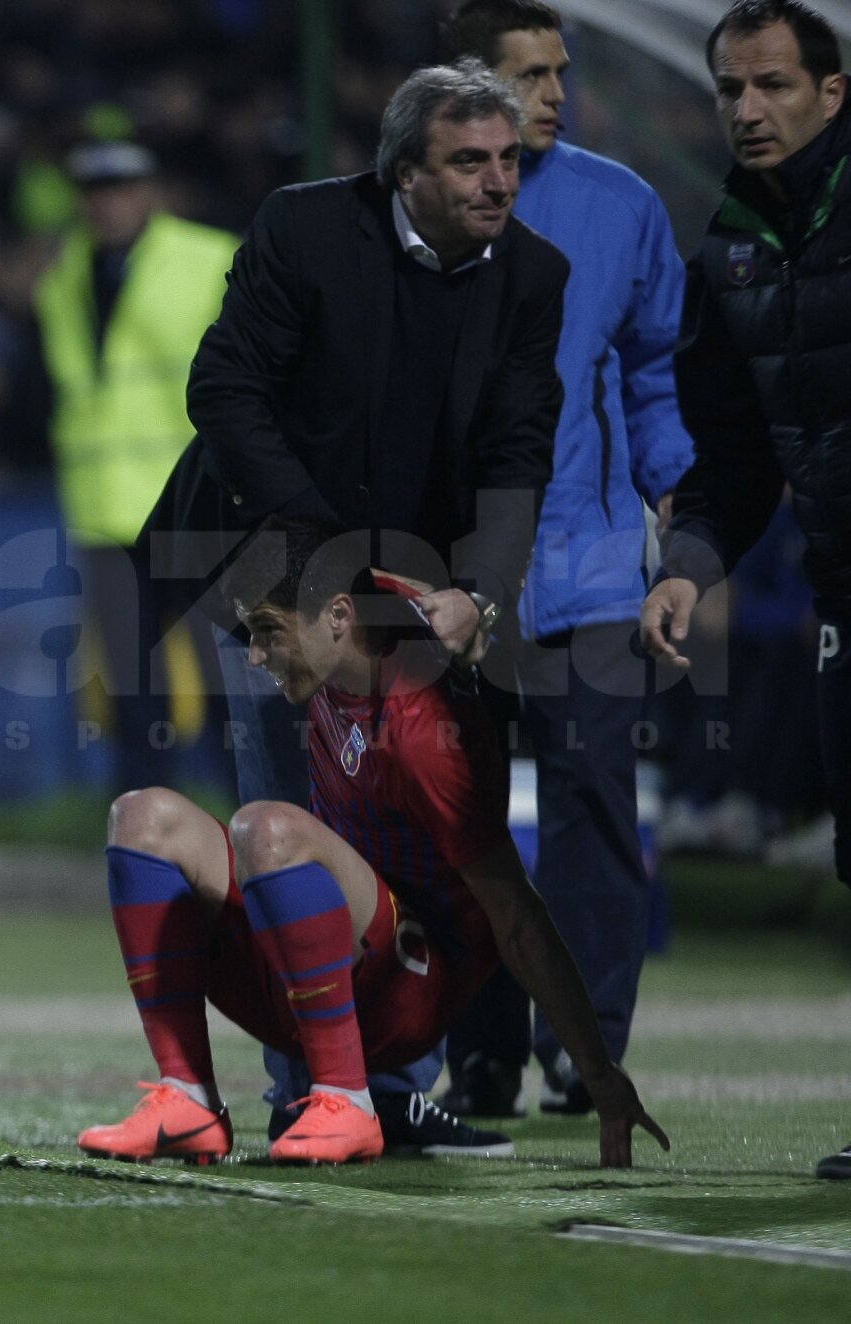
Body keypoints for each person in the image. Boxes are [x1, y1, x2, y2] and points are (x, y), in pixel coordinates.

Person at [141, 59, 569, 1152]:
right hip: (283, 578)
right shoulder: (305, 229)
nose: (498, 183)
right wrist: (326, 560)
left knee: (409, 842)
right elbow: (224, 390)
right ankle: (305, 1085)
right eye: (468, 161)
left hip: (412, 596)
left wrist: (480, 591)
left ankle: (382, 1083)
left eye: (508, 160)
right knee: (289, 820)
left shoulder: (532, 274)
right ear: (404, 172)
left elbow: (521, 445)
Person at [80, 519, 669, 1167]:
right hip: (329, 966)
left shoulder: (421, 732)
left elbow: (517, 919)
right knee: (140, 819)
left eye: (268, 632)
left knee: (266, 830)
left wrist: (601, 1076)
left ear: (337, 617)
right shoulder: (359, 611)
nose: (256, 655)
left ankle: (348, 1100)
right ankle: (188, 1098)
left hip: (408, 994)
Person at [404, 0, 697, 1122]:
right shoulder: (414, 204)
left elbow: (658, 365)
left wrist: (675, 486)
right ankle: (480, 1050)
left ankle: (586, 1044)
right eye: (528, 72)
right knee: (462, 819)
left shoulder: (620, 205)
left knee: (595, 811)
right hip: (457, 571)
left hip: (587, 562)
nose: (554, 93)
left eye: (558, 71)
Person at [639, 0, 850, 1181]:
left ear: (835, 91)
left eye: (772, 84)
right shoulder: (726, 242)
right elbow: (729, 452)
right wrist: (689, 568)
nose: (746, 109)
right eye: (730, 87)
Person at [32, 141, 240, 790]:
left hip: (193, 507)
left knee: (226, 682)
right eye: (95, 191)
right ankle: (150, 838)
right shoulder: (64, 276)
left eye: (122, 187)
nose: (108, 203)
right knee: (132, 693)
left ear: (151, 190)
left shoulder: (210, 259)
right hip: (104, 515)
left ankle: (262, 821)